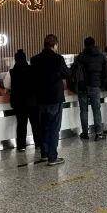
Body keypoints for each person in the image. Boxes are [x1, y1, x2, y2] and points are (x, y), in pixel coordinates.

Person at [30, 34, 69, 165]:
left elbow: (33, 78)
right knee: (54, 127)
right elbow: (66, 73)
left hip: (41, 99)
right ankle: (53, 157)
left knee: (44, 126)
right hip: (55, 98)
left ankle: (44, 154)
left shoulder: (35, 59)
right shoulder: (58, 59)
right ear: (55, 45)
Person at [74, 37, 107, 141]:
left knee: (83, 110)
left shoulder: (80, 57)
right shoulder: (101, 56)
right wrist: (101, 84)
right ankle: (98, 133)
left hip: (82, 86)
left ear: (84, 45)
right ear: (94, 44)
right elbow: (106, 72)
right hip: (95, 86)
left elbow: (74, 71)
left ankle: (85, 133)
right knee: (96, 110)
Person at [9, 49, 38, 152]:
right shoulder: (32, 69)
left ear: (15, 59)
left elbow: (7, 85)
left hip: (19, 102)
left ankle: (21, 146)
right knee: (35, 124)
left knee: (21, 124)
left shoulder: (12, 72)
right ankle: (38, 143)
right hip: (32, 101)